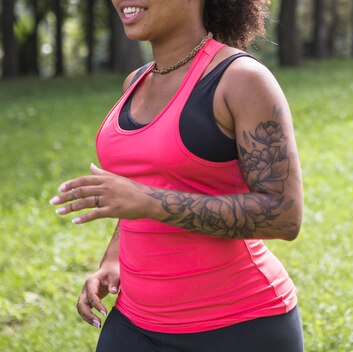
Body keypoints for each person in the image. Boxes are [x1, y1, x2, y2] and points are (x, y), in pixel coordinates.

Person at [49, 0, 304, 351]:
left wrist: (148, 202)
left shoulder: (241, 79)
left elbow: (283, 216)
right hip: (133, 323)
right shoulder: (135, 82)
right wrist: (112, 259)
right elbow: (139, 190)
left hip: (238, 325)